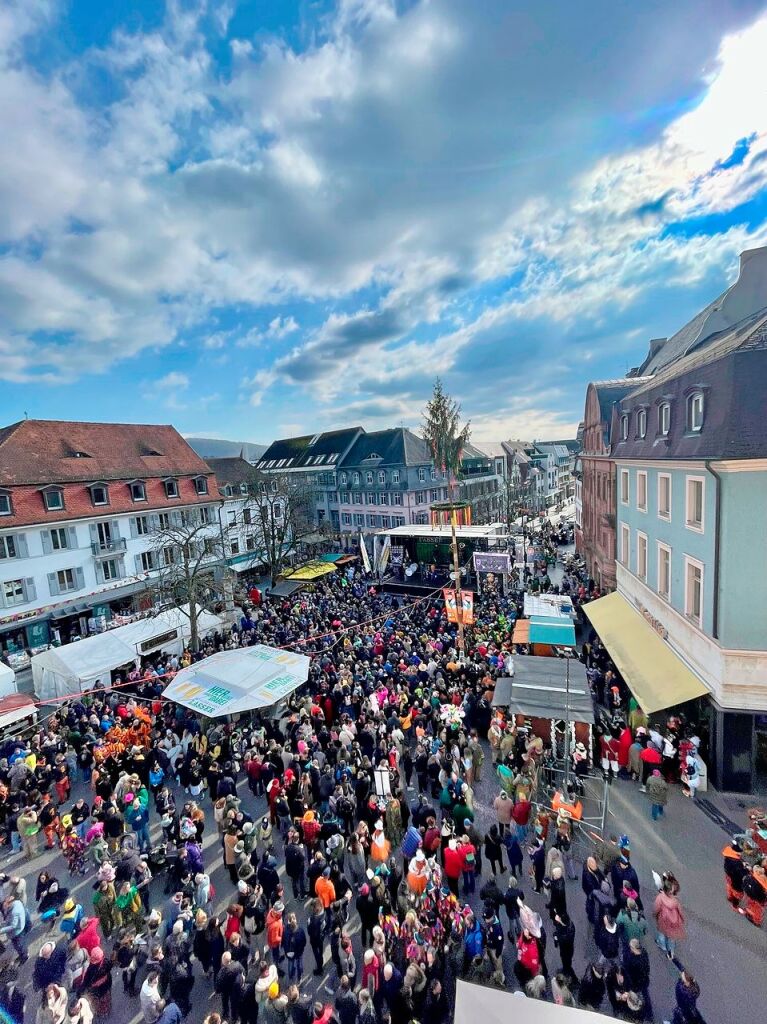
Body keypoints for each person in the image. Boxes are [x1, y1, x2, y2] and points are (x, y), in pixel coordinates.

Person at [654, 874, 686, 960]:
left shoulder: (660, 898)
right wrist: (682, 919)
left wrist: (655, 916)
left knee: (662, 934)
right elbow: (680, 912)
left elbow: (656, 909)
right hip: (673, 923)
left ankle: (662, 946)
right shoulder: (675, 901)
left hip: (663, 921)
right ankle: (671, 952)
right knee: (671, 938)